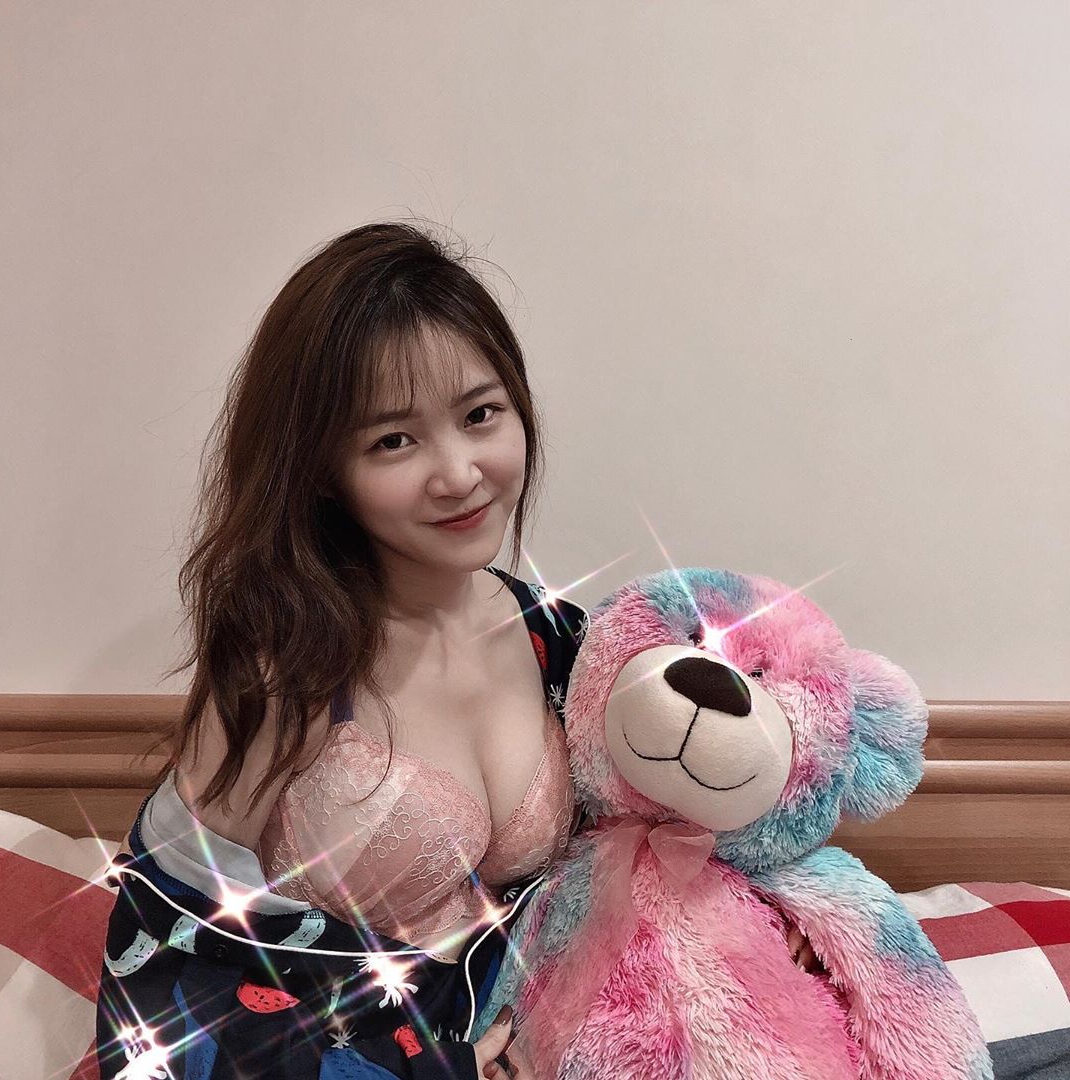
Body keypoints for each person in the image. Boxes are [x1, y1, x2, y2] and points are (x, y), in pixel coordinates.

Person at [96, 222, 816, 1080]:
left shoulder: (558, 640)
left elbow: (654, 837)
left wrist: (779, 918)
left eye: (480, 415)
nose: (459, 474)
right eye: (393, 440)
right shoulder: (281, 671)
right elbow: (164, 948)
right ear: (321, 469)